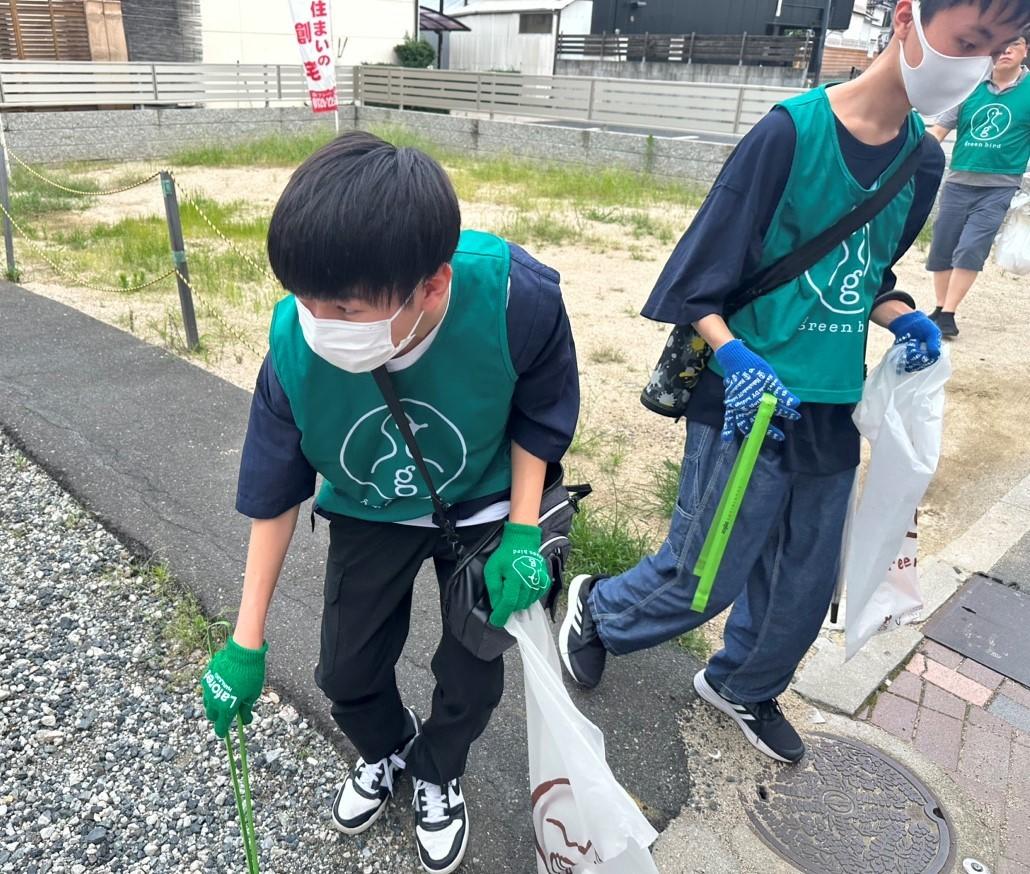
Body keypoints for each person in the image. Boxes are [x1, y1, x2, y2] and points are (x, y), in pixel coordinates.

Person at [560, 0, 1028, 765]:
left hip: (832, 405)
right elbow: (700, 277)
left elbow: (867, 270)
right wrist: (733, 356)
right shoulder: (788, 134)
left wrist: (901, 314)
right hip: (749, 395)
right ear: (906, 17)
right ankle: (598, 610)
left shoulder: (923, 163)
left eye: (998, 49)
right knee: (705, 572)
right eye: (969, 41)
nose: (977, 65)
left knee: (804, 587)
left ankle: (742, 682)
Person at [200, 132, 579, 874]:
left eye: (343, 307)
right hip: (369, 504)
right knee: (343, 672)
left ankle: (439, 770)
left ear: (433, 286)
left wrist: (524, 531)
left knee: (473, 672)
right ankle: (384, 748)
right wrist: (246, 641)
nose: (319, 323)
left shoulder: (513, 297)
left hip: (482, 505)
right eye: (305, 299)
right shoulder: (295, 341)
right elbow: (274, 487)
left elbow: (541, 410)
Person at [926, 26, 1030, 337]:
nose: (1007, 50)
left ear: (1026, 51)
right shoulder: (969, 87)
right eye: (1001, 44)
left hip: (999, 187)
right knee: (943, 246)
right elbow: (938, 131)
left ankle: (949, 312)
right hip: (958, 180)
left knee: (971, 248)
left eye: (1015, 44)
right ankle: (940, 307)